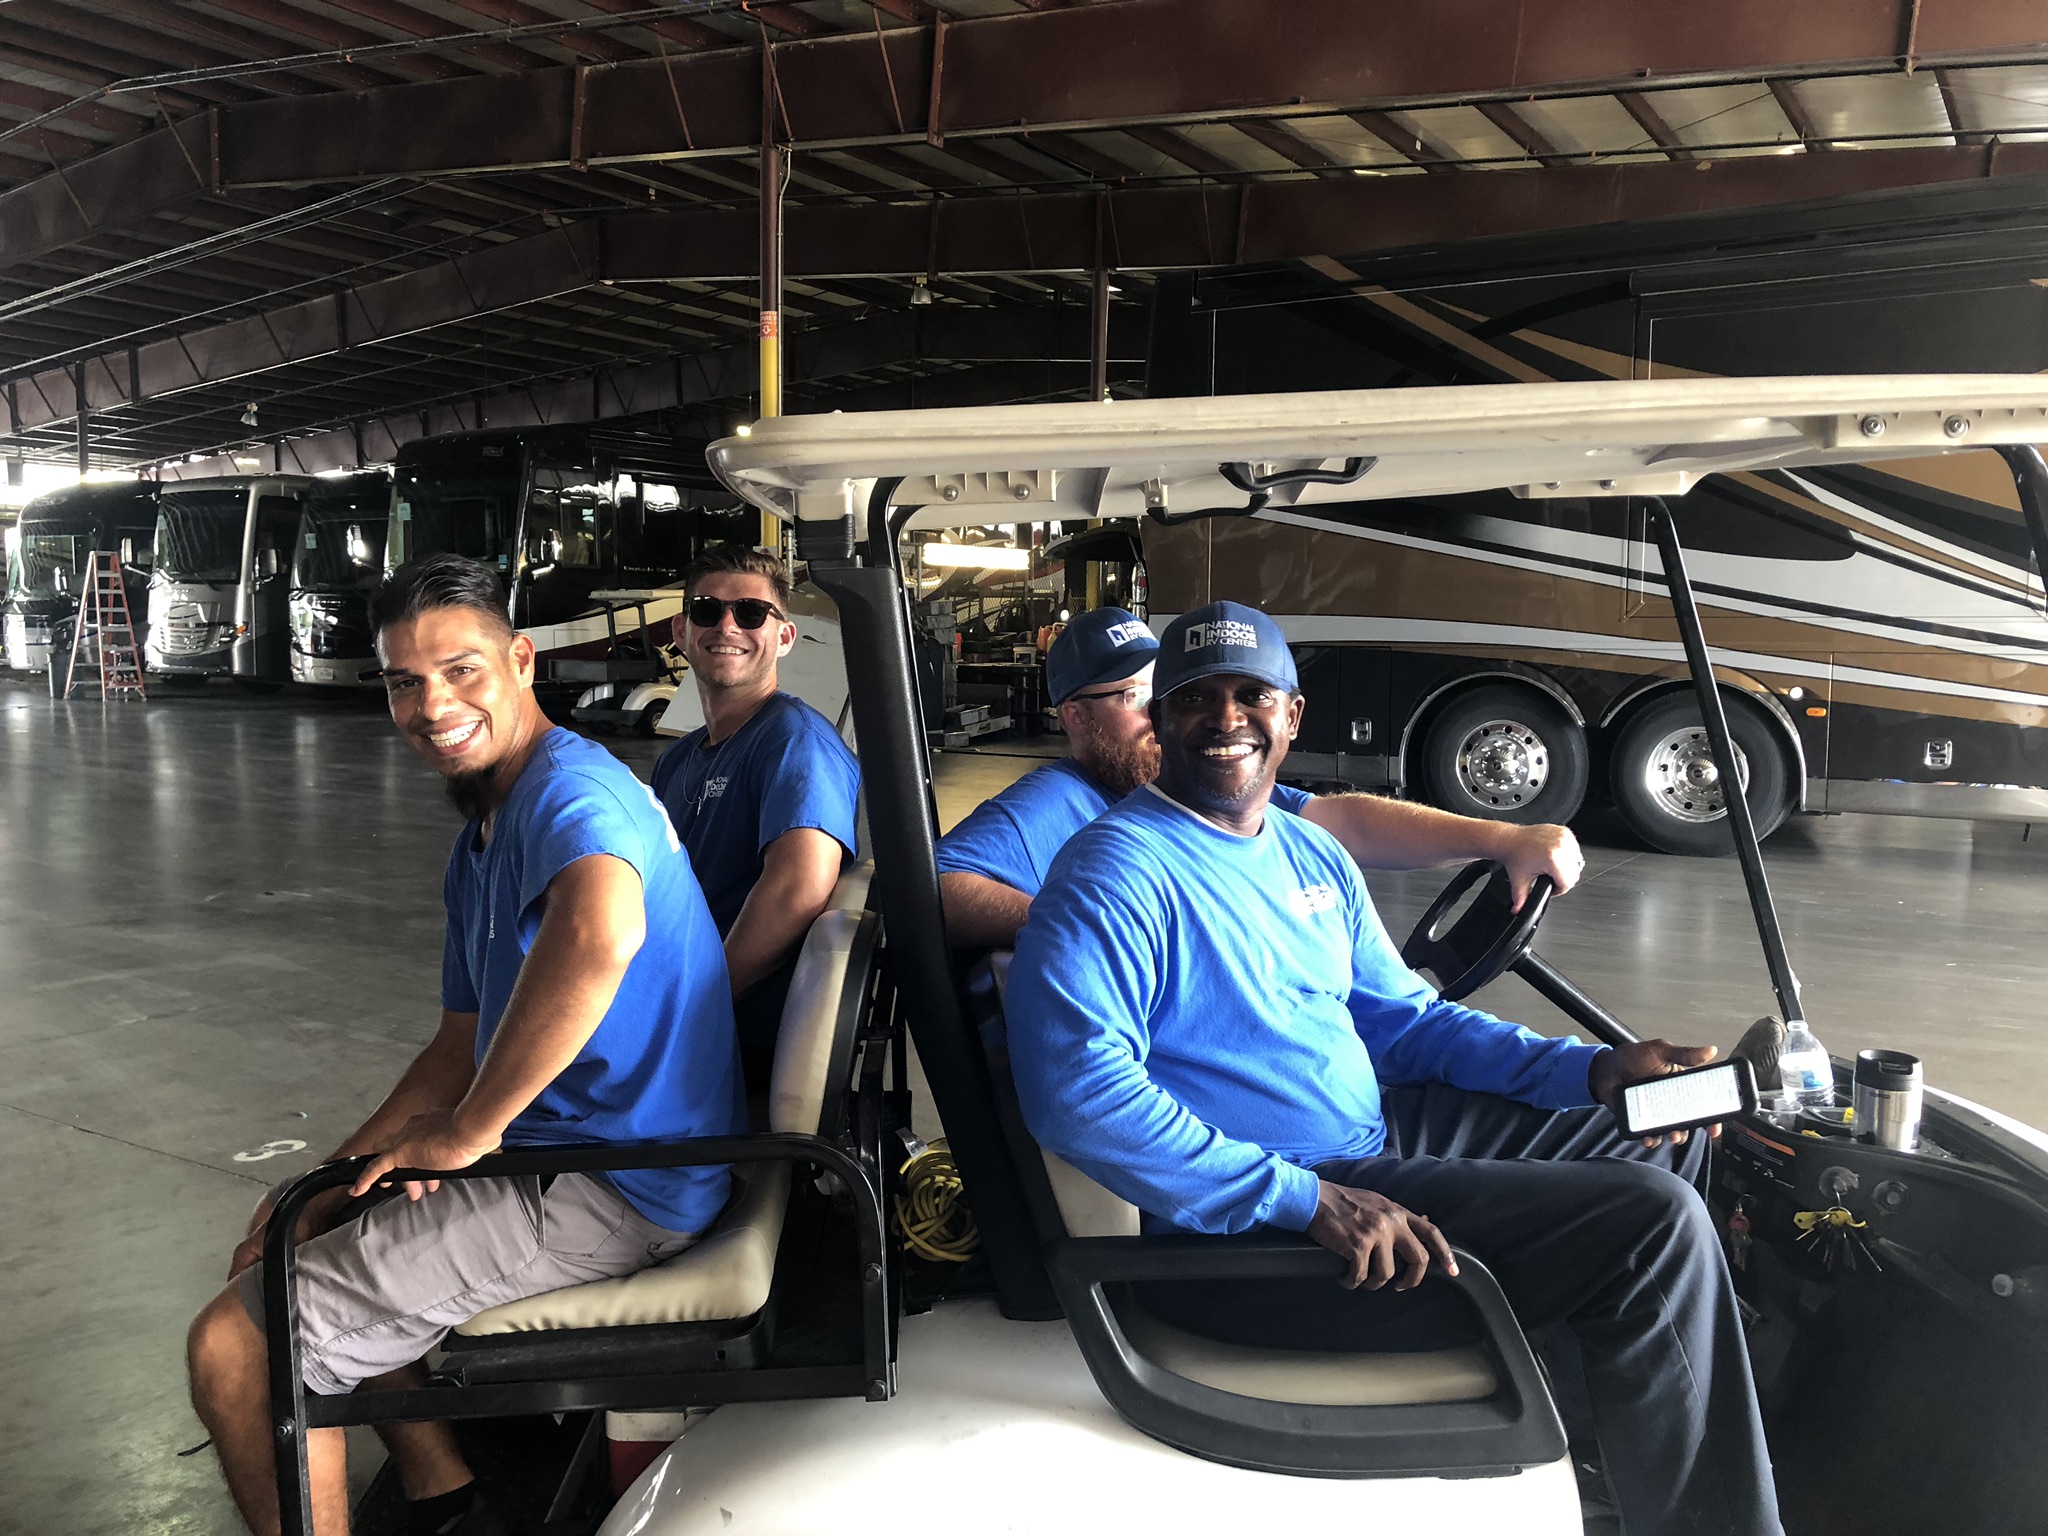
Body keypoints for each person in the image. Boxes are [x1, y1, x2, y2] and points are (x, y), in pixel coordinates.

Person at [1006, 601, 1779, 1536]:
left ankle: (1614, 1452)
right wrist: (1307, 1201)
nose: (1226, 718)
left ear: (1293, 715)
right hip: (1260, 1232)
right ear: (1159, 721)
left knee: (1657, 1129)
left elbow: (1406, 1025)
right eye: (1196, 699)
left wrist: (1594, 1072)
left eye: (1252, 695)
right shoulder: (1115, 874)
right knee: (1654, 1226)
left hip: (1366, 1142)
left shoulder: (1307, 851)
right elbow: (1080, 1096)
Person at [187, 554, 743, 1536]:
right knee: (313, 1229)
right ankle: (443, 1490)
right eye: (405, 681)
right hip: (574, 1156)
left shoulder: (571, 795)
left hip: (618, 1182)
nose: (432, 705)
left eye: (460, 671)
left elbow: (601, 933)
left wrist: (471, 1131)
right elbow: (458, 1046)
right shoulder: (484, 834)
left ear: (521, 661)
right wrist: (321, 1185)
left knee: (241, 1348)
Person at [937, 606, 1583, 949]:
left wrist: (1502, 837)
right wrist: (1089, 925)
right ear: (1076, 716)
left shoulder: (1193, 789)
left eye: (1163, 690)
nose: (1159, 713)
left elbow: (1344, 820)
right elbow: (934, 890)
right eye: (1133, 697)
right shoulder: (1057, 801)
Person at [651, 545, 860, 1089]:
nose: (727, 626)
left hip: (728, 1038)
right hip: (670, 1005)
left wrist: (695, 1009)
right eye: (707, 610)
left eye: (750, 613)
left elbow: (799, 887)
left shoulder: (795, 742)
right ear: (681, 630)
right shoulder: (677, 760)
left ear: (784, 637)